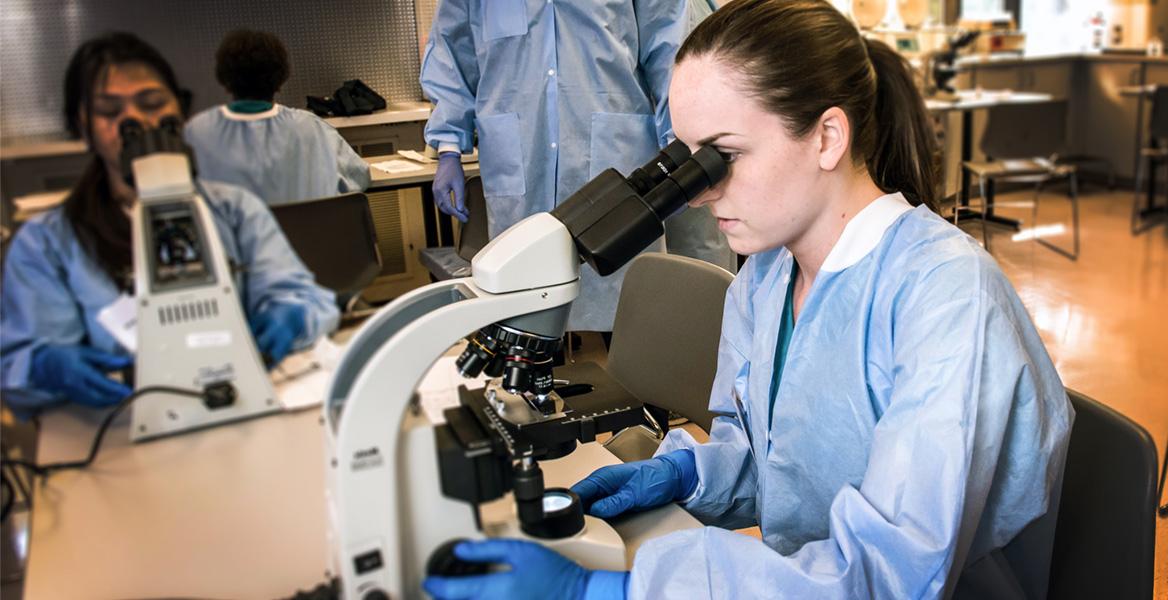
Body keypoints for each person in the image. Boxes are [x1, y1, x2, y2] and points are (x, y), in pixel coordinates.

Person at [422, 1, 1074, 599]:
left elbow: (892, 575)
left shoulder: (948, 297)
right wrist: (686, 476)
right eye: (687, 161)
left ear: (826, 137)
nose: (701, 192)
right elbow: (773, 465)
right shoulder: (766, 278)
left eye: (723, 157)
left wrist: (610, 594)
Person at [0, 32, 339, 411]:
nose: (136, 121)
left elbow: (308, 300)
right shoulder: (47, 245)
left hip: (238, 406)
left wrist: (291, 315)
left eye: (151, 102)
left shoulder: (236, 210)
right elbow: (17, 373)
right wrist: (44, 365)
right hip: (118, 426)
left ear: (180, 109)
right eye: (111, 112)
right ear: (83, 127)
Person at [420, 0, 734, 335]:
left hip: (616, 159)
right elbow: (452, 56)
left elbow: (671, 54)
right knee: (524, 301)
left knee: (627, 302)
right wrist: (449, 148)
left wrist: (684, 142)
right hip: (521, 160)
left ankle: (632, 379)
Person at [184, 29, 370, 206]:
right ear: (281, 78)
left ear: (224, 80)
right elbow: (359, 177)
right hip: (310, 238)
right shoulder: (311, 127)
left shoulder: (199, 131)